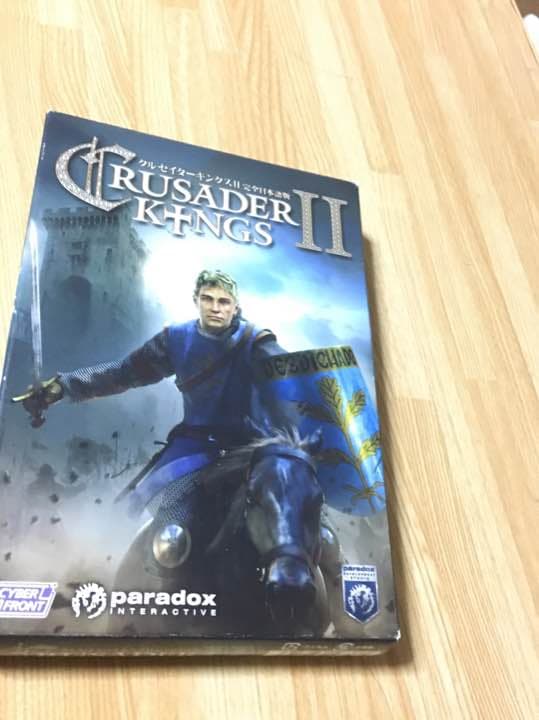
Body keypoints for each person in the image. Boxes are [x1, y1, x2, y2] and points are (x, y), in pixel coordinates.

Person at [16, 270, 285, 564]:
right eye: (207, 299)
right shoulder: (177, 340)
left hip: (251, 449)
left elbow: (295, 381)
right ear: (196, 300)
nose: (215, 307)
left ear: (235, 306)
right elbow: (124, 373)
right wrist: (63, 386)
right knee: (170, 527)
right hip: (195, 449)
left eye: (224, 301)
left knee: (299, 520)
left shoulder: (256, 342)